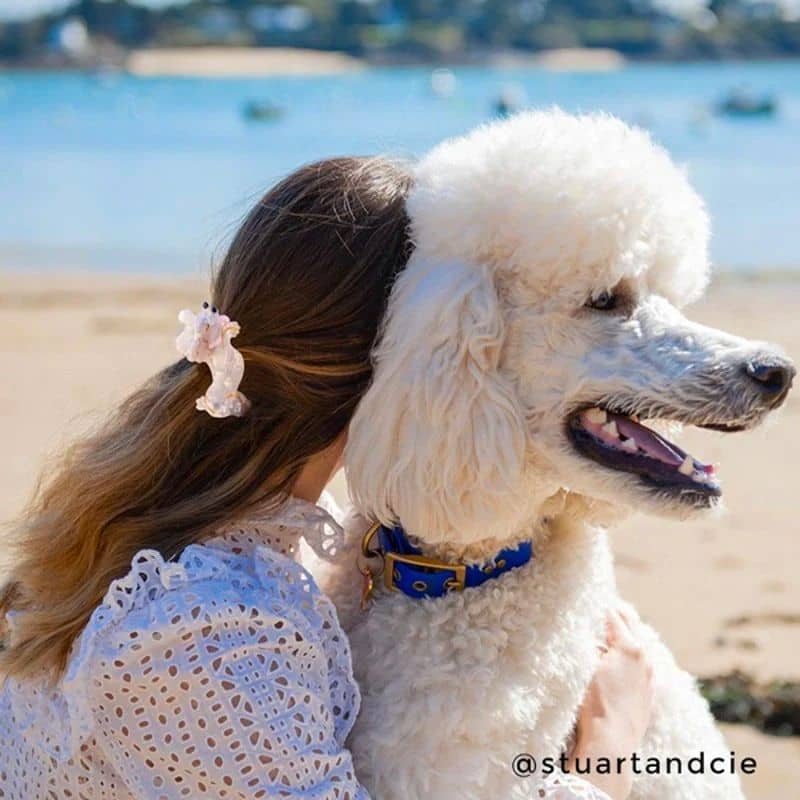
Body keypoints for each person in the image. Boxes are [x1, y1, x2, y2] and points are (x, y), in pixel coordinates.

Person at [0, 157, 652, 799]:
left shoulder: (215, 522)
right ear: (400, 358)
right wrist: (611, 752)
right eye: (468, 346)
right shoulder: (211, 632)